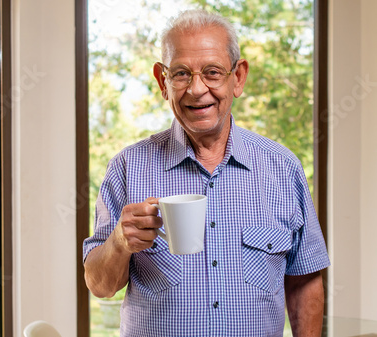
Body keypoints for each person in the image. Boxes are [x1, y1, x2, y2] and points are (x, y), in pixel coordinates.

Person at [83, 9, 330, 337]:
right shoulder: (128, 167)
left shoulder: (283, 168)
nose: (197, 89)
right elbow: (99, 285)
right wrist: (118, 242)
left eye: (212, 73)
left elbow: (304, 281)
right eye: (182, 74)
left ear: (238, 77)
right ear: (163, 81)